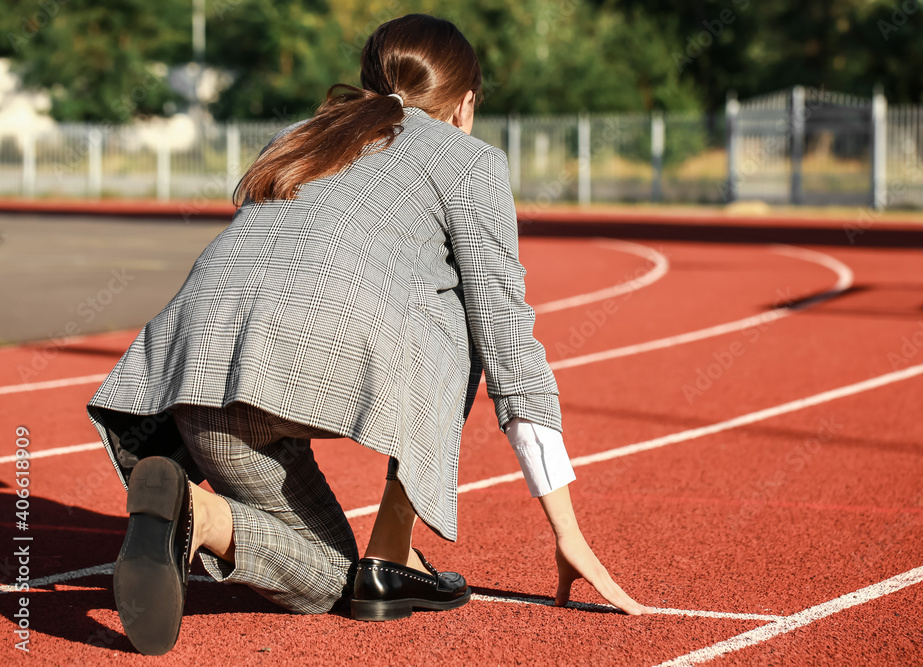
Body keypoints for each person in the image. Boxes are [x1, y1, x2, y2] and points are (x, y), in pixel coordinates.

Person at [87, 13, 646, 656]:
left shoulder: (302, 137)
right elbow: (506, 334)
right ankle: (389, 548)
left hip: (193, 375)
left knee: (326, 576)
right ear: (464, 105)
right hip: (306, 362)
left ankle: (198, 513)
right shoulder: (470, 160)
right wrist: (566, 530)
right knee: (466, 315)